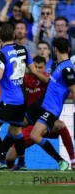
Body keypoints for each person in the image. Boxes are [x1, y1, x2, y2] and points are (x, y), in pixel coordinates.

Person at [0, 24, 48, 171]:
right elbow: (32, 70)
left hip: (9, 99)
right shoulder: (23, 49)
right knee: (16, 131)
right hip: (22, 97)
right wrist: (48, 81)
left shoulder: (1, 54)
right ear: (13, 36)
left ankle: (0, 159)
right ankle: (22, 163)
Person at [6, 56, 75, 169]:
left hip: (44, 117)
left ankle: (72, 159)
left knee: (60, 125)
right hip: (29, 121)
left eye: (40, 67)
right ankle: (13, 165)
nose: (37, 69)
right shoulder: (25, 79)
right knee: (9, 158)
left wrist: (34, 72)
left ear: (44, 68)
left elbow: (47, 80)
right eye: (35, 67)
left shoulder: (50, 78)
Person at [23, 37, 75, 171]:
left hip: (51, 110)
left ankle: (61, 161)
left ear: (54, 49)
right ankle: (2, 159)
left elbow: (74, 91)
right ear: (68, 49)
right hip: (41, 106)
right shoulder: (60, 66)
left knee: (35, 136)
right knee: (16, 122)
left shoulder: (67, 69)